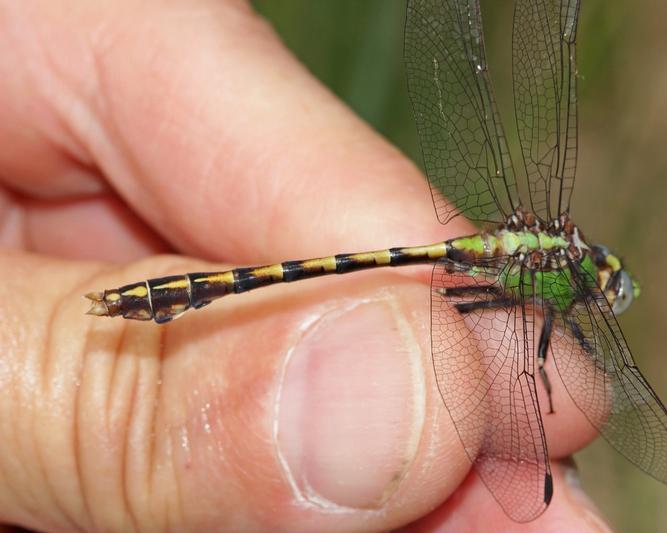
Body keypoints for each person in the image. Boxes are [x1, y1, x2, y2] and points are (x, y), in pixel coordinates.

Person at [0, 1, 612, 530]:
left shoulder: (535, 274)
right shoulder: (547, 274)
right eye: (604, 282)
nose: (600, 290)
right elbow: (537, 354)